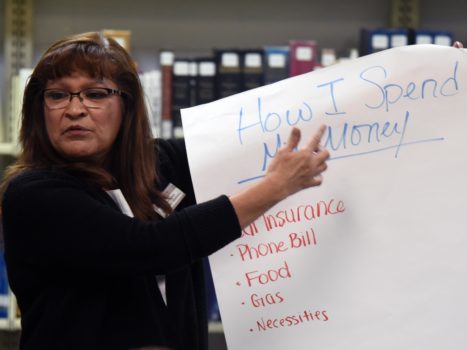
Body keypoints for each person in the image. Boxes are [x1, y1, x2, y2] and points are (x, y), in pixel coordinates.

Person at [0, 32, 329, 350]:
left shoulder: (158, 165)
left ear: (127, 106)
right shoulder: (33, 194)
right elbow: (149, 248)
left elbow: (243, 146)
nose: (74, 109)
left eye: (95, 94)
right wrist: (275, 187)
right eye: (57, 95)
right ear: (38, 109)